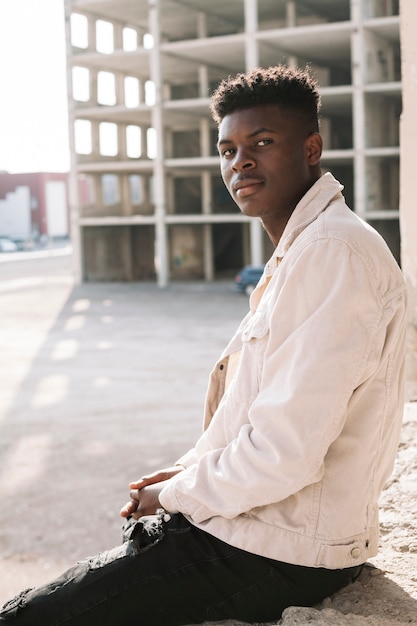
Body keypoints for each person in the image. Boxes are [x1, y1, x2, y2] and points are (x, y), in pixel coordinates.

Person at [0, 65, 406, 625]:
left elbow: (283, 455)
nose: (239, 162)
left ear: (311, 148)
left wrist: (175, 496)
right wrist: (184, 474)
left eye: (262, 143)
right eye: (228, 149)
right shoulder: (307, 249)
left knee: (26, 618)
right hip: (268, 532)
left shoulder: (333, 254)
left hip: (280, 550)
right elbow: (261, 418)